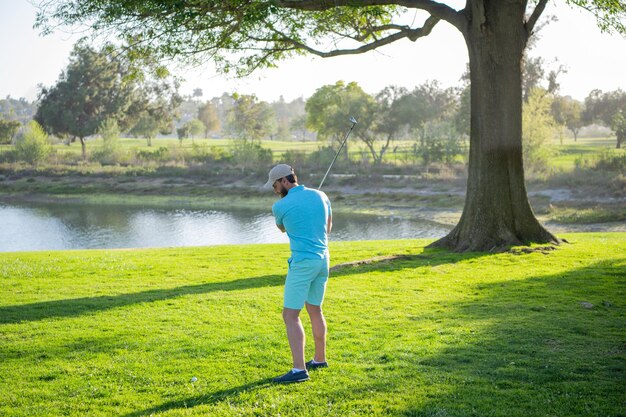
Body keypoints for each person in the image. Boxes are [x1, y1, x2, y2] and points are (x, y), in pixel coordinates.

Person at [264, 164, 332, 383]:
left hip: (303, 263)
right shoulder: (321, 195)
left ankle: (298, 370)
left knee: (290, 315)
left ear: (284, 181)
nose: (275, 190)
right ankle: (320, 359)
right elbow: (327, 228)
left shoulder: (280, 206)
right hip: (323, 261)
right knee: (315, 309)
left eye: (275, 185)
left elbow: (283, 229)